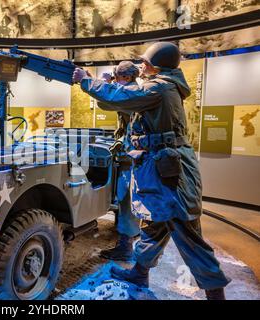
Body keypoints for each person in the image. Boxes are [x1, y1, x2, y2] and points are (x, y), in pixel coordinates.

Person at [72, 42, 230, 300]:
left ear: (157, 65)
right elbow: (117, 103)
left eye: (145, 62)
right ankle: (139, 271)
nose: (140, 65)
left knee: (187, 233)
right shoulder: (160, 85)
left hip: (170, 175)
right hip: (160, 168)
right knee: (154, 224)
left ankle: (215, 293)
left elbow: (121, 98)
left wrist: (86, 81)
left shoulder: (159, 87)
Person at [99, 61, 140, 261]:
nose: (115, 80)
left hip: (131, 157)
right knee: (127, 199)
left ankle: (125, 247)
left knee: (126, 199)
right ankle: (128, 239)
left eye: (117, 78)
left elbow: (104, 102)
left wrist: (103, 83)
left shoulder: (131, 92)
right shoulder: (135, 90)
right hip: (132, 154)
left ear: (124, 77)